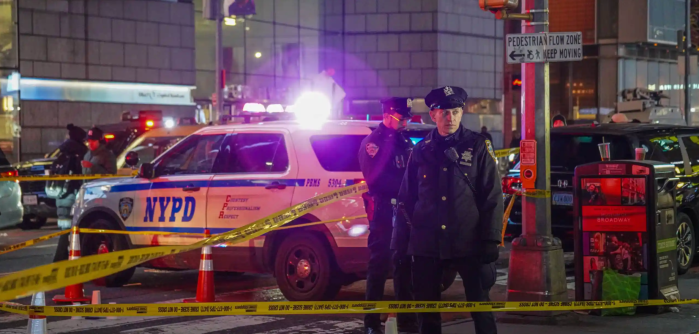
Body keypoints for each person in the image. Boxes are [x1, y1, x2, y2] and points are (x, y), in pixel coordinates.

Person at [394, 86, 503, 334]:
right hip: (427, 243)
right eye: (444, 113)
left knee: (480, 307)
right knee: (427, 312)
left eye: (455, 112)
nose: (450, 118)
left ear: (462, 112)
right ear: (433, 115)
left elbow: (492, 195)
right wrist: (402, 242)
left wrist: (491, 238)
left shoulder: (477, 146)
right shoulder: (421, 150)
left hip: (468, 239)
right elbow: (407, 198)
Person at [358, 97, 418, 334]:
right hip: (384, 212)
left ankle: (407, 321)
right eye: (400, 118)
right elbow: (377, 180)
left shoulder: (403, 139)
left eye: (406, 118)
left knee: (404, 266)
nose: (405, 122)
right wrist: (407, 187)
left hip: (405, 212)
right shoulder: (374, 143)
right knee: (379, 267)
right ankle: (372, 323)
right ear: (386, 116)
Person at [50, 124, 87, 262]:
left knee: (65, 229)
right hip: (72, 195)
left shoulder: (61, 153)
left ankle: (63, 257)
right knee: (70, 230)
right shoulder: (80, 153)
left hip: (60, 195)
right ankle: (60, 259)